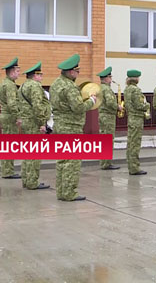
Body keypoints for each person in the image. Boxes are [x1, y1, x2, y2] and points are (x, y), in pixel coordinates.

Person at [50, 54, 97, 201]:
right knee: (72, 162)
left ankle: (61, 192)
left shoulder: (56, 84)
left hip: (59, 125)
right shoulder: (69, 87)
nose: (78, 73)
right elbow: (77, 107)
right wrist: (91, 101)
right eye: (77, 71)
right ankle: (70, 193)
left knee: (62, 161)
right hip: (71, 127)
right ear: (71, 72)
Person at [18, 62, 51, 190]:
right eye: (40, 74)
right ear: (35, 75)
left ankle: (26, 180)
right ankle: (33, 182)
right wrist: (42, 122)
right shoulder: (35, 86)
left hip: (25, 121)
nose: (42, 77)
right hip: (33, 122)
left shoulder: (22, 86)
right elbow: (38, 106)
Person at [0, 57, 21, 179]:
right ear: (11, 72)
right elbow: (12, 103)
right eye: (17, 71)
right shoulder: (10, 85)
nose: (19, 73)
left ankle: (7, 170)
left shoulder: (4, 83)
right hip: (9, 117)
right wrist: (18, 116)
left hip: (5, 116)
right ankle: (8, 172)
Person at [123, 69, 149, 175]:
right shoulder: (136, 90)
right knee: (135, 144)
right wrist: (147, 105)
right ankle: (134, 168)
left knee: (130, 144)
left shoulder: (127, 89)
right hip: (137, 119)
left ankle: (131, 165)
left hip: (131, 118)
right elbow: (139, 105)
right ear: (136, 79)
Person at [97, 66, 121, 170]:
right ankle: (106, 163)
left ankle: (104, 162)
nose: (111, 79)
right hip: (108, 116)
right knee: (108, 139)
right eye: (110, 77)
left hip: (102, 115)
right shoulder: (106, 89)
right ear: (106, 78)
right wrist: (118, 107)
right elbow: (110, 102)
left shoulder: (100, 88)